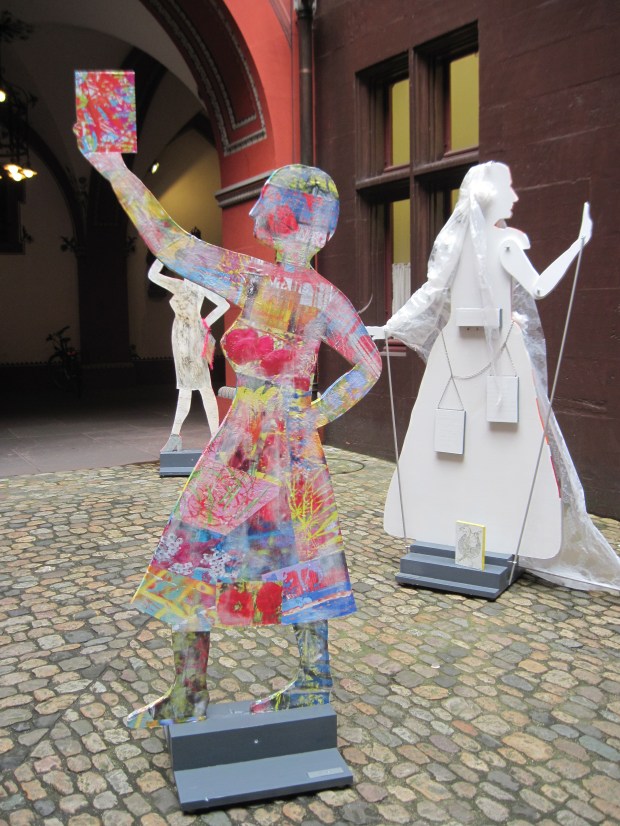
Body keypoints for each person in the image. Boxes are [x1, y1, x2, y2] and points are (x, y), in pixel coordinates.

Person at [75, 135, 382, 727]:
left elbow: (171, 242)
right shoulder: (326, 298)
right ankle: (309, 684)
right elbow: (368, 365)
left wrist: (116, 170)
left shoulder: (256, 279)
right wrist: (313, 415)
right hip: (294, 449)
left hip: (248, 441)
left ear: (283, 218)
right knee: (302, 558)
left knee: (193, 549)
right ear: (323, 232)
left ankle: (192, 692)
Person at [370, 161, 620, 592]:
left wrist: (391, 326)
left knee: (497, 445)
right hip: (478, 354)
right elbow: (533, 287)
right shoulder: (494, 243)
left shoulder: (478, 243)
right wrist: (576, 245)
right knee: (457, 443)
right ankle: (452, 528)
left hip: (485, 353)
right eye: (510, 188)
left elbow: (435, 293)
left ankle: (495, 531)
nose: (516, 197)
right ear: (489, 196)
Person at [147, 256, 229, 452]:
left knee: (203, 387)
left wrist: (205, 322)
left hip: (193, 338)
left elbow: (223, 304)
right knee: (186, 387)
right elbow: (152, 275)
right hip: (180, 340)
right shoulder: (179, 285)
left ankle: (210, 437)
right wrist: (161, 256)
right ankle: (178, 436)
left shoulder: (199, 286)